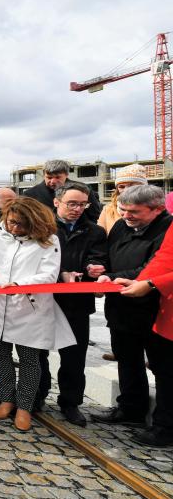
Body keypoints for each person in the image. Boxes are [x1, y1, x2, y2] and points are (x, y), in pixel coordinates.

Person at [0, 197, 75, 432]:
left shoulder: (49, 241)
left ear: (34, 223)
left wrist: (19, 283)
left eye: (20, 224)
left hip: (30, 307)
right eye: (11, 222)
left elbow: (49, 274)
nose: (14, 228)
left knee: (29, 359)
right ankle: (6, 399)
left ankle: (25, 406)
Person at [93, 185, 172, 446]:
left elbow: (151, 269)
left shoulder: (167, 230)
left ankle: (164, 425)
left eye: (134, 211)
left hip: (154, 308)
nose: (127, 216)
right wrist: (101, 270)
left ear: (157, 209)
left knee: (164, 369)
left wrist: (112, 277)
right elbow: (110, 254)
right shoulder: (120, 225)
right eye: (123, 210)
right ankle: (130, 408)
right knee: (127, 358)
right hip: (122, 304)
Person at [33, 182, 107, 426]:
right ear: (57, 202)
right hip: (43, 301)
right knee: (37, 353)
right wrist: (61, 273)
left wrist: (93, 267)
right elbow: (32, 263)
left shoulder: (95, 231)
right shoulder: (40, 227)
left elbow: (99, 256)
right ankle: (36, 396)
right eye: (72, 204)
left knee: (74, 356)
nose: (77, 209)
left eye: (82, 204)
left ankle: (71, 402)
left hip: (77, 302)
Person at [26, 159, 102, 223]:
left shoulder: (84, 189)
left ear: (66, 175)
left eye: (57, 177)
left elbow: (94, 216)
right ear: (44, 175)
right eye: (49, 177)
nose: (53, 181)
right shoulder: (30, 195)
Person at [98, 163, 149, 234]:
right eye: (121, 187)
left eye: (132, 186)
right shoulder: (109, 209)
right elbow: (100, 236)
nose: (126, 190)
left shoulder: (155, 209)